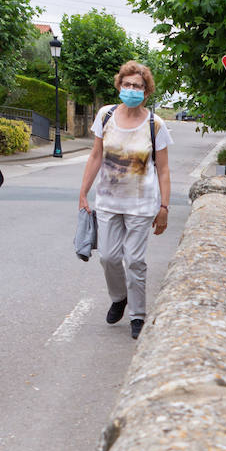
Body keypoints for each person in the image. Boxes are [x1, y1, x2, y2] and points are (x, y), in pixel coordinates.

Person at [78, 61, 172, 340]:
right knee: (108, 256)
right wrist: (83, 192)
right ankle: (119, 297)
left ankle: (137, 315)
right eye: (127, 84)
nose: (132, 89)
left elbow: (164, 170)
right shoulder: (106, 115)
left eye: (138, 86)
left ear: (146, 92)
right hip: (107, 200)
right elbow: (95, 156)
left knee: (134, 260)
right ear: (119, 85)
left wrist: (164, 207)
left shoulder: (156, 124)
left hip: (141, 205)